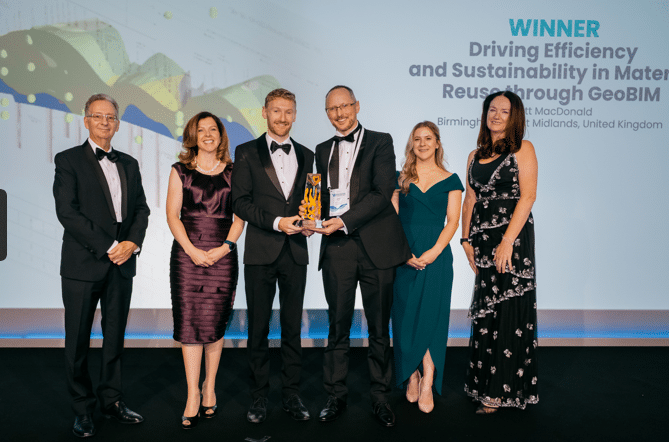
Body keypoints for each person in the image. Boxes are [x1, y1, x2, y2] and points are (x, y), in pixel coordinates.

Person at [307, 85, 411, 427]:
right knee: (337, 326)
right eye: (332, 109)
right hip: (336, 248)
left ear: (357, 106)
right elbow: (317, 195)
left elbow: (383, 193)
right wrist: (310, 220)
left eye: (344, 106)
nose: (339, 114)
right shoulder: (321, 150)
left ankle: (380, 398)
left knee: (380, 328)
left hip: (376, 247)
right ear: (327, 113)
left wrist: (343, 220)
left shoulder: (381, 141)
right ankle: (335, 396)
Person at [53, 93, 150, 438]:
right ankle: (82, 409)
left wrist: (131, 243)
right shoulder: (67, 160)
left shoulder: (130, 163)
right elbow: (68, 213)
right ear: (86, 121)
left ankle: (112, 401)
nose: (105, 122)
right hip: (82, 265)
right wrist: (110, 246)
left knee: (115, 340)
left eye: (111, 117)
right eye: (98, 116)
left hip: (122, 265)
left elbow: (141, 210)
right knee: (77, 342)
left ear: (118, 123)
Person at [231, 88, 314, 424]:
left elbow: (313, 200)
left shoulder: (308, 154)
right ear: (264, 112)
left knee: (293, 328)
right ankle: (259, 397)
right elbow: (240, 202)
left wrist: (310, 223)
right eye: (276, 111)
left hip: (296, 251)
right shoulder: (246, 152)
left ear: (295, 114)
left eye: (289, 111)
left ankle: (292, 395)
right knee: (259, 329)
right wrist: (278, 222)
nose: (283, 117)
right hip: (261, 250)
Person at [461, 90, 539, 414]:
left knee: (508, 313)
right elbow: (470, 200)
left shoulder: (524, 149)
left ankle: (501, 390)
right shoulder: (474, 155)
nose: (495, 115)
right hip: (482, 243)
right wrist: (465, 241)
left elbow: (528, 197)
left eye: (503, 111)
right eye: (491, 109)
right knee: (487, 313)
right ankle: (482, 383)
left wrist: (507, 242)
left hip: (513, 241)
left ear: (514, 117)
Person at [166, 111, 245, 429]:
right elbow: (172, 216)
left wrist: (225, 247)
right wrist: (193, 251)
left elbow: (240, 216)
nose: (208, 134)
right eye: (202, 130)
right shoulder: (179, 170)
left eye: (213, 129)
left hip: (223, 255)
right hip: (188, 258)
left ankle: (209, 387)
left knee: (215, 324)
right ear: (193, 136)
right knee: (190, 328)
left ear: (221, 135)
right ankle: (192, 395)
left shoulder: (234, 172)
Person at [391, 121, 463, 414]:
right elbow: (392, 220)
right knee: (405, 317)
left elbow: (453, 222)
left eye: (428, 138)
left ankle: (428, 376)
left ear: (437, 143)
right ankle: (411, 373)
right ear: (412, 145)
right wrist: (403, 251)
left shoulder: (452, 179)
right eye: (417, 139)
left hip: (437, 258)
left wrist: (433, 252)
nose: (422, 143)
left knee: (432, 317)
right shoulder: (399, 179)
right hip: (403, 258)